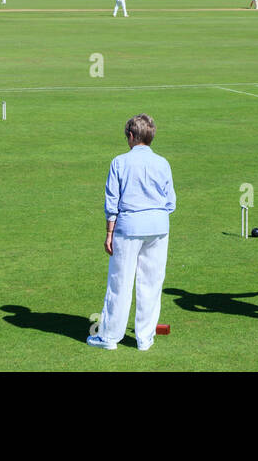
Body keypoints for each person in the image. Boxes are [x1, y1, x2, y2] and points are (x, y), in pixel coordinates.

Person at [88, 114, 175, 351]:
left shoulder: (119, 162)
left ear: (130, 136)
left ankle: (109, 337)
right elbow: (170, 203)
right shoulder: (163, 163)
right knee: (151, 282)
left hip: (128, 228)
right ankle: (145, 338)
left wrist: (109, 232)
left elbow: (112, 201)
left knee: (120, 282)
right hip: (158, 228)